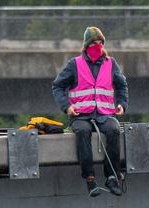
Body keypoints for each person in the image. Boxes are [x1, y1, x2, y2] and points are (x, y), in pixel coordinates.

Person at [51, 26, 129, 197]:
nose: (98, 46)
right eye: (94, 43)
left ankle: (111, 177)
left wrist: (122, 103)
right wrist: (67, 107)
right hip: (81, 116)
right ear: (87, 45)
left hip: (104, 115)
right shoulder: (74, 64)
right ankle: (90, 178)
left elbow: (122, 85)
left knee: (114, 130)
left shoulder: (111, 64)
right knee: (83, 132)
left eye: (101, 42)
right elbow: (58, 86)